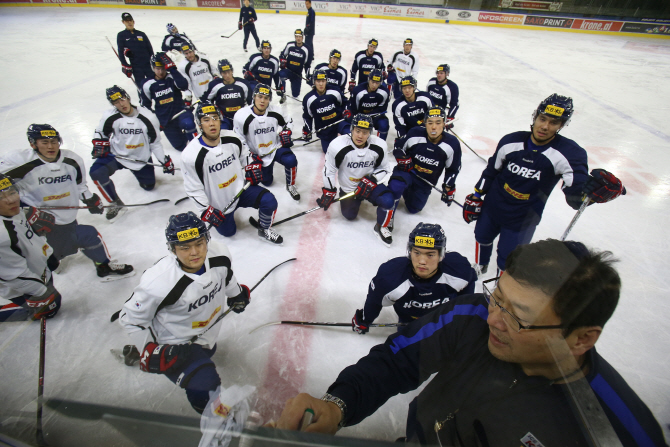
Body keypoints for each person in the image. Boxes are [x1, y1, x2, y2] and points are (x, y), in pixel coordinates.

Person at [274, 239, 668, 447]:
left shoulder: (620, 434)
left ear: (582, 338)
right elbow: (397, 360)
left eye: (518, 317)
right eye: (498, 297)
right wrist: (338, 404)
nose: (493, 318)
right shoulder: (474, 316)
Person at [463, 94, 626, 275]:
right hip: (493, 206)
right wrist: (477, 195)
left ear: (562, 125)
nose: (545, 126)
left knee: (509, 258)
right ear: (535, 116)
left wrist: (591, 195)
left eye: (554, 122)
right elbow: (491, 171)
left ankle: (501, 287)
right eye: (543, 119)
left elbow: (575, 198)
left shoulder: (570, 154)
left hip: (523, 219)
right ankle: (480, 265)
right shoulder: (510, 141)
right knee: (482, 237)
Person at [118, 212, 251, 414]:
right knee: (205, 382)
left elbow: (227, 276)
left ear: (207, 240)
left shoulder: (220, 254)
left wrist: (236, 294)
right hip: (175, 343)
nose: (195, 252)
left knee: (207, 354)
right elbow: (130, 319)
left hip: (206, 334)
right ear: (172, 249)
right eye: (184, 248)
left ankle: (137, 352)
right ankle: (212, 416)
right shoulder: (158, 282)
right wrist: (150, 350)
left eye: (199, 243)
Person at [0, 124, 134, 279]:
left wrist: (89, 197)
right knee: (87, 235)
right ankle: (100, 266)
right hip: (40, 220)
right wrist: (24, 210)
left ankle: (56, 259)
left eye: (55, 141)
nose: (51, 146)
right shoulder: (19, 161)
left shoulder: (72, 159)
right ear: (33, 144)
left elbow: (79, 184)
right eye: (44, 142)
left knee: (61, 245)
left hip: (67, 216)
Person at [182, 102, 283, 245]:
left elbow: (245, 156)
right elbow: (193, 187)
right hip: (219, 202)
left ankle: (264, 229)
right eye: (206, 120)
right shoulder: (191, 155)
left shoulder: (232, 138)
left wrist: (251, 166)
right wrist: (205, 209)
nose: (212, 123)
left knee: (269, 201)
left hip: (241, 190)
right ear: (199, 124)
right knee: (229, 233)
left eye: (215, 118)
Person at [352, 222, 476, 334]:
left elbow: (468, 286)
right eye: (417, 253)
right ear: (410, 252)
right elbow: (375, 300)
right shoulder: (390, 277)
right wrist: (365, 319)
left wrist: (461, 315)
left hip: (444, 320)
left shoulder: (459, 270)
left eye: (430, 255)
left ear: (441, 255)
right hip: (408, 323)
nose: (422, 261)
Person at [90, 85, 175, 220]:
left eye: (122, 99)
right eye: (116, 102)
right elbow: (100, 132)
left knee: (149, 187)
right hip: (117, 156)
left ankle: (142, 176)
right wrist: (99, 143)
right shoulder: (110, 116)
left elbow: (155, 143)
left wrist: (164, 160)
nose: (121, 104)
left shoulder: (148, 117)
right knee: (96, 172)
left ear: (127, 97)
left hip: (140, 159)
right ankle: (115, 203)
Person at [318, 114, 394, 246]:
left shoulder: (379, 145)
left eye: (365, 132)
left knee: (387, 200)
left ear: (370, 132)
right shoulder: (338, 145)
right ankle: (355, 200)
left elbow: (385, 168)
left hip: (370, 186)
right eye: (357, 131)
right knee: (349, 216)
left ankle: (382, 226)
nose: (360, 136)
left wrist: (372, 179)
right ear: (351, 129)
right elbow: (329, 170)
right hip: (349, 189)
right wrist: (329, 190)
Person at [385, 106, 462, 230]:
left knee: (413, 209)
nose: (433, 127)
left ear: (444, 124)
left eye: (438, 123)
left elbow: (453, 168)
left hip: (425, 181)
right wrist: (401, 157)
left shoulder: (452, 144)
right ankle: (387, 217)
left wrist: (448, 186)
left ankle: (406, 191)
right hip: (408, 172)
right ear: (425, 123)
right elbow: (398, 147)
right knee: (396, 185)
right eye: (430, 123)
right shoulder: (415, 133)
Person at [0, 174, 61, 322]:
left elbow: (26, 239)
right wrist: (40, 292)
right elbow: (13, 276)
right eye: (1, 197)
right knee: (50, 308)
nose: (12, 200)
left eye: (12, 192)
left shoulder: (12, 210)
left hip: (35, 273)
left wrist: (48, 255)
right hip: (17, 286)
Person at [233, 84, 299, 203]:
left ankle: (291, 185)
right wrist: (249, 156)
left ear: (269, 100)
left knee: (291, 160)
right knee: (267, 182)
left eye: (266, 98)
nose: (262, 101)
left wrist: (286, 132)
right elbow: (239, 139)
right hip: (258, 154)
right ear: (254, 97)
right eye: (260, 96)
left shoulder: (276, 111)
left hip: (275, 147)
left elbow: (289, 121)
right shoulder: (242, 115)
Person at [141, 52, 197, 152]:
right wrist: (155, 120)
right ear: (153, 68)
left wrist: (172, 69)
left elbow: (184, 85)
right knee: (180, 146)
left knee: (188, 124)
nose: (161, 72)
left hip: (180, 112)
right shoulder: (147, 83)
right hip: (166, 119)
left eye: (163, 68)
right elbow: (145, 106)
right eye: (158, 69)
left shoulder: (172, 76)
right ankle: (183, 135)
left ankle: (198, 145)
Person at [302, 70, 350, 154]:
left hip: (339, 122)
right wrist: (307, 130)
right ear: (314, 82)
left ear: (326, 81)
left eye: (323, 81)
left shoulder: (335, 91)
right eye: (318, 81)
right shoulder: (308, 99)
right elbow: (307, 116)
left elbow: (345, 103)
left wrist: (346, 110)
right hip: (324, 128)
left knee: (350, 135)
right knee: (328, 151)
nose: (321, 84)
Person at [201, 59, 251, 130]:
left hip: (240, 117)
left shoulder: (243, 84)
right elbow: (206, 100)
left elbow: (251, 102)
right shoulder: (215, 85)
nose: (227, 75)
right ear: (220, 73)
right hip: (224, 119)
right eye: (224, 73)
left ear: (232, 71)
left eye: (229, 72)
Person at [346, 69, 390, 141]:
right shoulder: (358, 91)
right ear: (368, 80)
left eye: (377, 83)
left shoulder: (385, 92)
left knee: (384, 124)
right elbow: (354, 109)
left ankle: (381, 145)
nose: (374, 85)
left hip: (375, 116)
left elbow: (382, 109)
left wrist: (370, 116)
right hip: (359, 116)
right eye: (372, 82)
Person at [117, 12, 154, 91]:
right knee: (141, 87)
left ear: (133, 21)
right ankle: (143, 102)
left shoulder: (141, 34)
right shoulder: (121, 35)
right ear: (123, 22)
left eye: (130, 20)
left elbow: (150, 49)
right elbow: (120, 51)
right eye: (126, 21)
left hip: (148, 64)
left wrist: (153, 61)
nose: (129, 22)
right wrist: (125, 65)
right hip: (136, 66)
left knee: (154, 83)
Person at [391, 76, 432, 144]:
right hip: (410, 132)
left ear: (414, 87)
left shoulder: (425, 97)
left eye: (409, 87)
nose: (407, 90)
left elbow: (433, 116)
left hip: (427, 129)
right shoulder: (397, 105)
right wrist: (403, 140)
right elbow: (400, 126)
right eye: (404, 88)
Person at [279, 29, 312, 101]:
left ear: (302, 37)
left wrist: (307, 75)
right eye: (296, 36)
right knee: (280, 75)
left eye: (300, 36)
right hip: (288, 71)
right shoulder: (290, 45)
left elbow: (307, 64)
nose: (298, 38)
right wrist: (282, 60)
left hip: (297, 74)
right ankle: (282, 93)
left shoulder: (307, 49)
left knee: (295, 94)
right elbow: (282, 55)